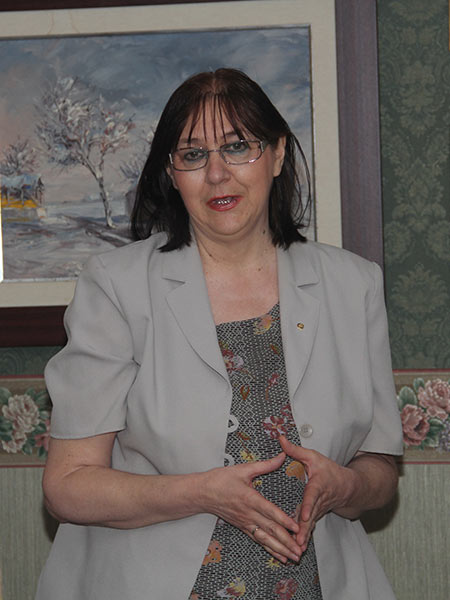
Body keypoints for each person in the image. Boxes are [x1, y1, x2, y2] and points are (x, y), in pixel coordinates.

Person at [36, 68, 403, 600]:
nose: (216, 174)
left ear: (276, 155)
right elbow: (68, 487)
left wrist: (346, 486)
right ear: (172, 173)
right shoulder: (116, 286)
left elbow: (381, 469)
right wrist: (202, 493)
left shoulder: (354, 284)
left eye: (237, 147)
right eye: (192, 155)